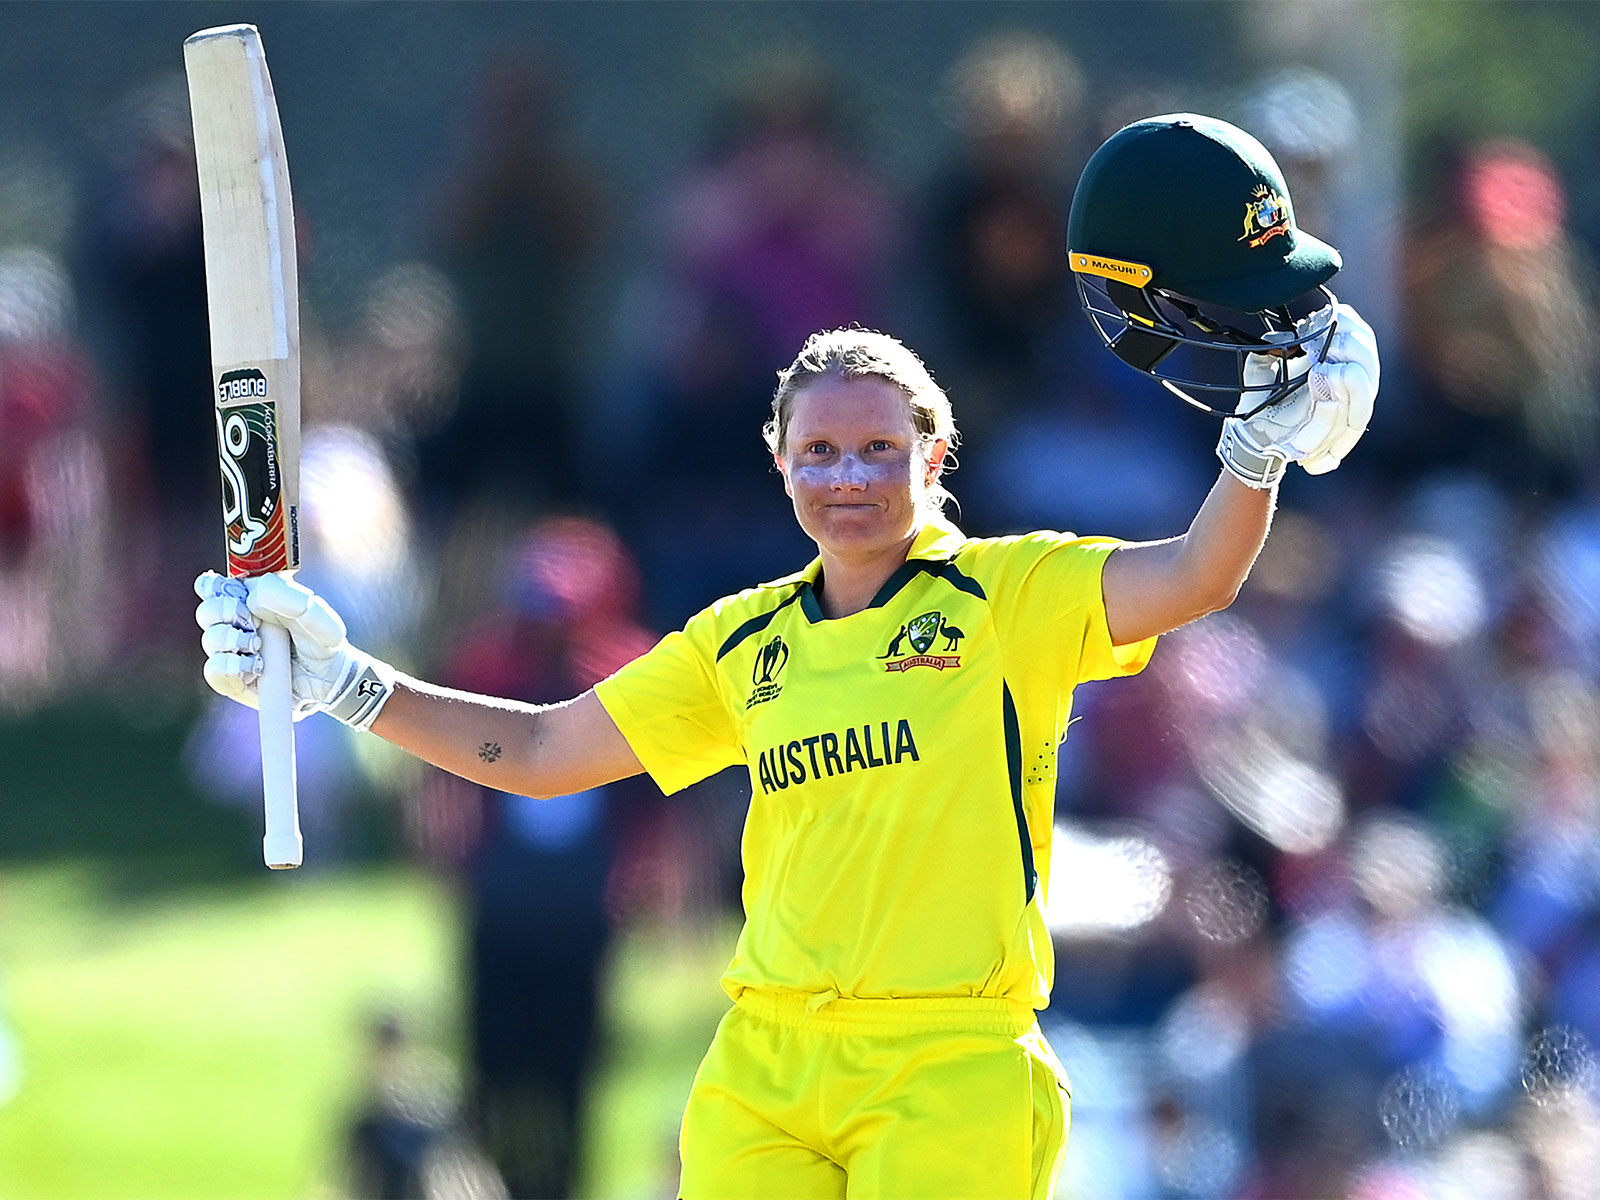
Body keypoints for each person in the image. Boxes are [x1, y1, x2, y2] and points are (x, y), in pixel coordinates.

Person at [195, 114, 1380, 1199]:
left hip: (949, 1061)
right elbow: (545, 748)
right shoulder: (741, 640)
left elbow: (1193, 576)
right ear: (779, 465)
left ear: (935, 457)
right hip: (767, 1062)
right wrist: (344, 682)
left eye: (878, 449)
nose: (849, 477)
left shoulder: (1012, 594)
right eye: (819, 453)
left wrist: (1258, 452)